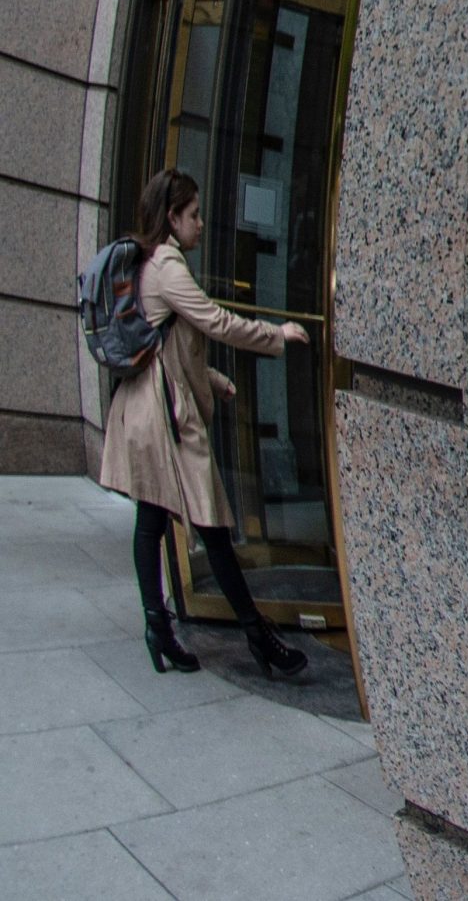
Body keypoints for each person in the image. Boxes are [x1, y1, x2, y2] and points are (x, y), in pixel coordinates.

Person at [100, 168, 312, 679]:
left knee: (151, 523)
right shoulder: (169, 267)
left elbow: (169, 342)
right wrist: (276, 334)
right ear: (172, 218)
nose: (200, 223)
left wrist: (212, 379)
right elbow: (216, 322)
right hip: (163, 420)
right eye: (193, 214)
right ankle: (259, 637)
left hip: (146, 408)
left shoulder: (150, 262)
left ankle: (159, 629)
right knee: (213, 526)